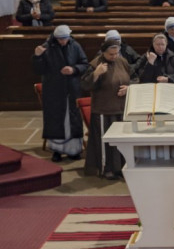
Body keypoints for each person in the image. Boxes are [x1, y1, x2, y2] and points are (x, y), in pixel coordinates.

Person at [32, 25, 89, 162]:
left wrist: (74, 69)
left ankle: (74, 150)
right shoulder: (46, 47)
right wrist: (37, 56)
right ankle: (56, 151)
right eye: (60, 39)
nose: (63, 41)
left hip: (71, 89)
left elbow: (84, 64)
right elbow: (38, 70)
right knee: (56, 119)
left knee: (72, 119)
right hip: (54, 90)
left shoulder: (75, 46)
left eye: (65, 38)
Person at [80, 40, 130, 180]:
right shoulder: (95, 64)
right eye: (111, 54)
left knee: (120, 141)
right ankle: (106, 169)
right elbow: (84, 85)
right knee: (105, 143)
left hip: (121, 109)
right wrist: (96, 74)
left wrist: (128, 88)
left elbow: (135, 78)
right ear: (103, 52)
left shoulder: (122, 61)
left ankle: (120, 168)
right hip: (103, 110)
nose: (114, 56)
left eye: (116, 53)